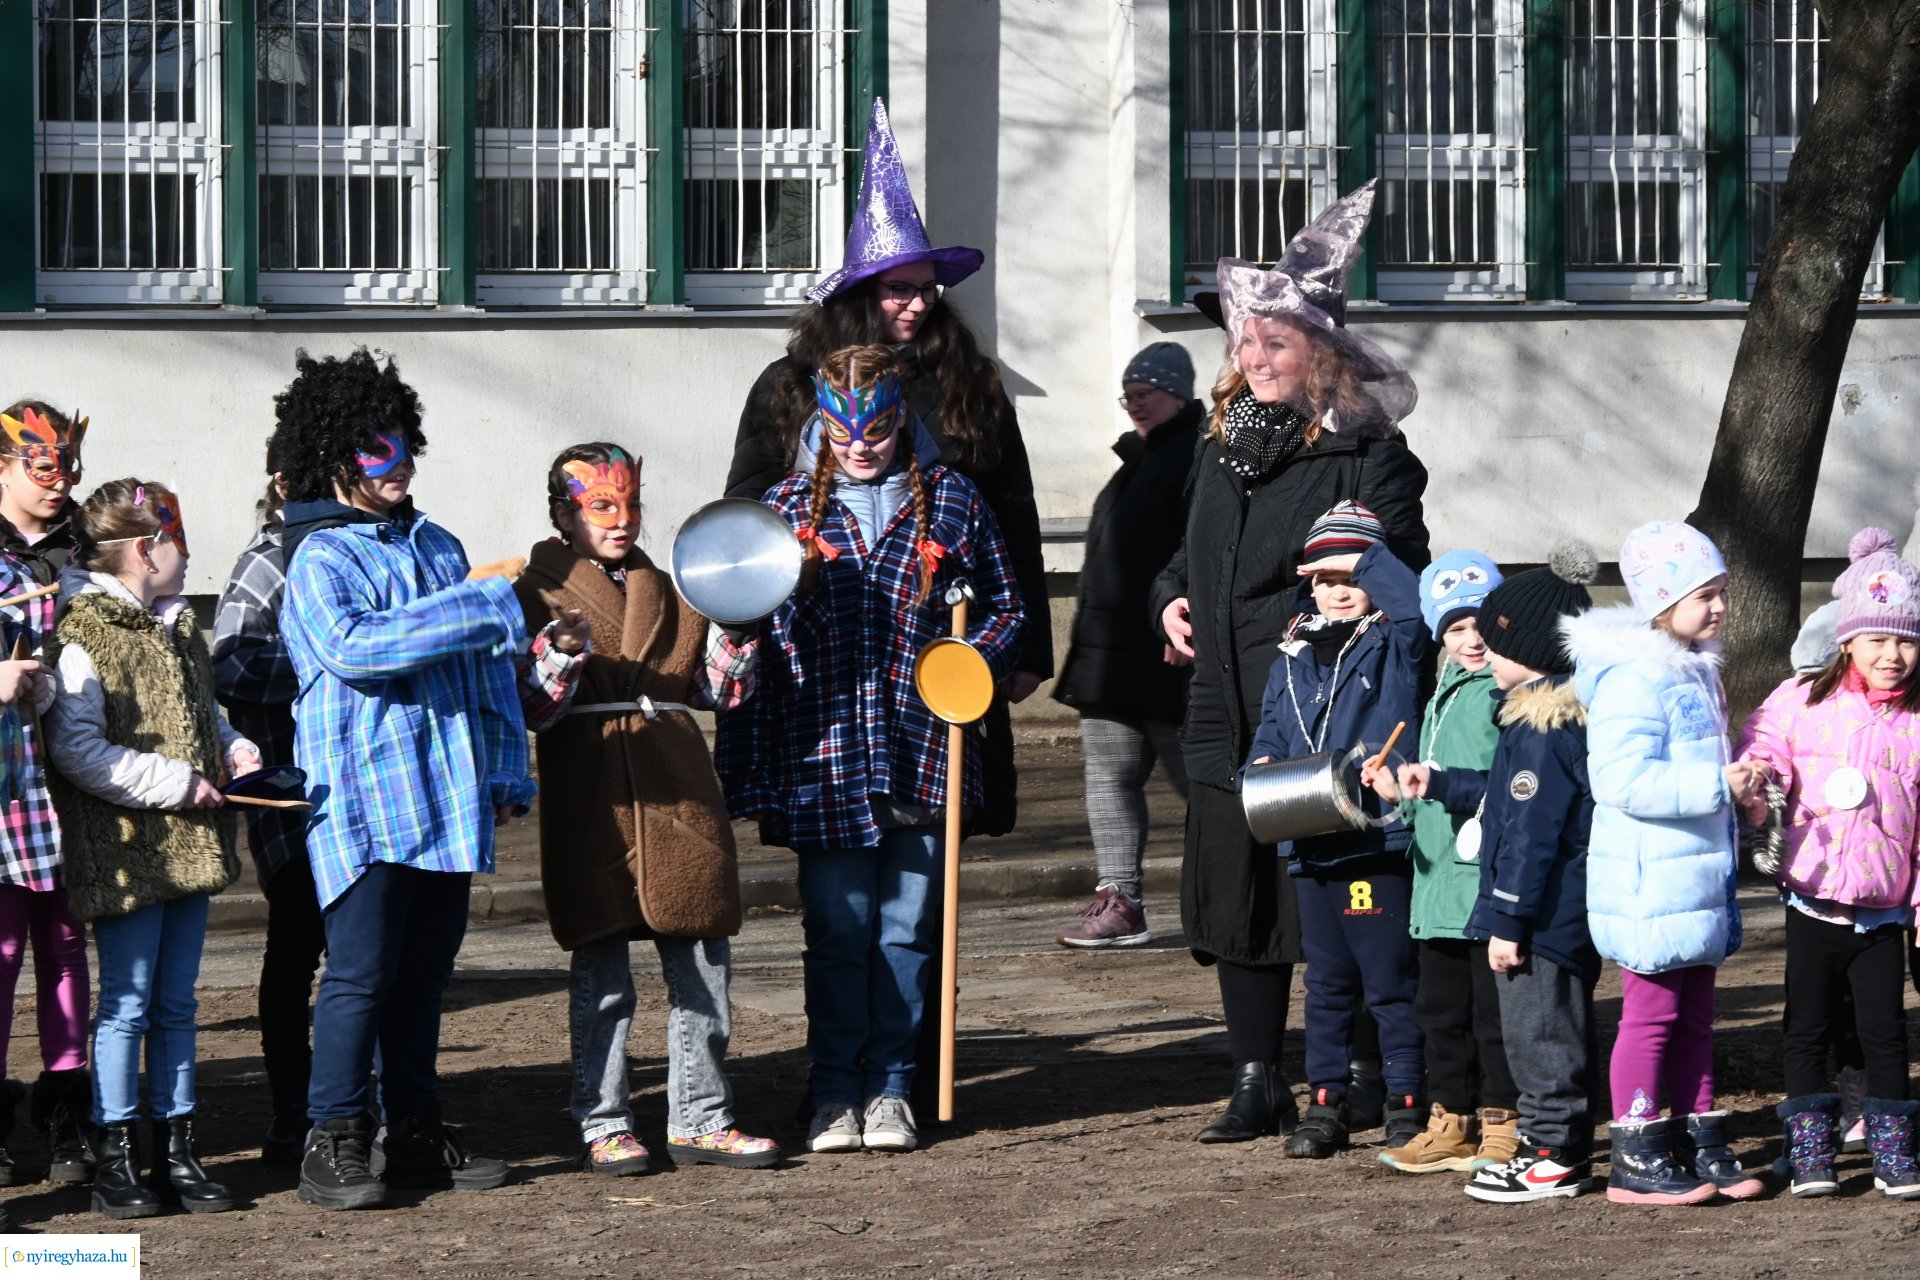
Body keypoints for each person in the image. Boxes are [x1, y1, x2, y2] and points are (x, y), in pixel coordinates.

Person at [1147, 181, 1429, 1146]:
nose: (1253, 356)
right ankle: (1257, 1074)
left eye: (1276, 340)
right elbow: (1189, 553)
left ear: (1324, 351)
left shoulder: (1369, 452)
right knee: (1236, 889)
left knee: (1337, 892)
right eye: (1243, 340)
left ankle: (1351, 1071)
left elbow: (1401, 579)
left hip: (1324, 710)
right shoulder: (1219, 446)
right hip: (1227, 704)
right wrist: (1170, 597)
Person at [715, 345, 1024, 1156]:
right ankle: (832, 1090)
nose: (861, 447)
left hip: (924, 747)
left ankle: (891, 1088)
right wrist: (765, 611)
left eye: (879, 431)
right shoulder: (786, 510)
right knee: (839, 930)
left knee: (906, 930)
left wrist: (971, 659)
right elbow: (743, 617)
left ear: (900, 421)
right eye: (845, 434)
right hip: (825, 755)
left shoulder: (953, 501)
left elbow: (1007, 609)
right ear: (821, 424)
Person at [724, 98, 1048, 840]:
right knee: (838, 862)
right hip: (828, 641)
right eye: (899, 288)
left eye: (927, 288)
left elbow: (1012, 508)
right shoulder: (791, 383)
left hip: (940, 635)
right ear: (861, 295)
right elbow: (746, 507)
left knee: (933, 848)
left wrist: (1027, 651)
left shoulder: (969, 379)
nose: (916, 303)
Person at [273, 349, 538, 1210]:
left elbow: (486, 672)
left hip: (447, 798)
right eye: (379, 448)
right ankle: (334, 1139)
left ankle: (416, 1131)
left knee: (424, 978)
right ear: (338, 454)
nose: (403, 463)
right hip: (363, 801)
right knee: (358, 976)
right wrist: (486, 603)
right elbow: (357, 650)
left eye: (406, 443)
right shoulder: (318, 560)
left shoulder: (439, 542)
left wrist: (504, 767)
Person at [512, 443, 781, 1176]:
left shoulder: (677, 586)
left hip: (677, 781)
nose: (623, 519)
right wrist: (560, 652)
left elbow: (721, 693)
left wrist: (741, 628)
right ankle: (603, 1121)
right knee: (602, 968)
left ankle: (702, 1116)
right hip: (592, 789)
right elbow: (531, 709)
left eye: (631, 504)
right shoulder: (530, 591)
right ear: (564, 514)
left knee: (702, 954)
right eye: (603, 505)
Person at [46, 479, 255, 1218]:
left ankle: (177, 1147)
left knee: (176, 1002)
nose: (189, 556)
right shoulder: (84, 634)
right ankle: (119, 1154)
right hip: (132, 852)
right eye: (180, 542)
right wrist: (176, 782)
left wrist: (234, 749)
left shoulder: (176, 627)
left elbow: (204, 711)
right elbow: (78, 750)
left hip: (191, 847)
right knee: (128, 1003)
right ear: (145, 549)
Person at [1564, 520, 1764, 1204]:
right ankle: (1637, 1148)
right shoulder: (1635, 680)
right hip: (1652, 884)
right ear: (1662, 600)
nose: (1721, 607)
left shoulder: (1694, 674)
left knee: (1697, 1017)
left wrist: (1742, 794)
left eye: (1721, 592)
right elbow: (1620, 782)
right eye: (1706, 594)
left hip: (1696, 879)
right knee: (1651, 1017)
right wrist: (1716, 786)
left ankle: (1697, 1135)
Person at [1397, 546, 1600, 1202]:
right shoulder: (1535, 715)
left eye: (1492, 635)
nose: (1480, 646)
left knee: (1543, 1033)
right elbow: (1499, 803)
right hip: (1542, 911)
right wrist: (1444, 783)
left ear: (1530, 648)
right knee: (1538, 1029)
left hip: (1541, 917)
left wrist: (1506, 918)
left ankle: (1553, 1152)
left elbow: (1532, 833)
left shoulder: (1540, 728)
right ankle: (1552, 1147)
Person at [1738, 528, 1920, 1199]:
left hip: (1882, 905)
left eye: (1905, 640)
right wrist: (1761, 778)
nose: (1892, 655)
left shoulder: (1917, 719)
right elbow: (1764, 741)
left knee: (1886, 1031)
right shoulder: (1804, 698)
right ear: (1847, 641)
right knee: (1806, 1025)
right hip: (1813, 894)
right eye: (1877, 640)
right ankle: (1810, 1146)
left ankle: (1894, 1146)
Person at [1243, 502, 1427, 1158]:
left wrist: (1371, 562)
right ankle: (1327, 1100)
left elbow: (1413, 608)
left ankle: (1406, 1097)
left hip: (1372, 842)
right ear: (1306, 585)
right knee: (1325, 984)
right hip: (1311, 841)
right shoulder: (1292, 656)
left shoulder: (1395, 640)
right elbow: (1271, 728)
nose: (1338, 588)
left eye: (1349, 574)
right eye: (1323, 577)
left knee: (1388, 980)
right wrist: (1261, 762)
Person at [1370, 549, 1520, 1174]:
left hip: (1482, 890)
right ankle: (1449, 1118)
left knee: (1492, 1016)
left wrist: (1439, 783)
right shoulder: (1441, 696)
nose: (1470, 638)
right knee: (1439, 1012)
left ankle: (1502, 1123)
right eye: (1455, 628)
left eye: (1480, 623)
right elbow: (1425, 800)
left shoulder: (1505, 694)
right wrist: (1399, 795)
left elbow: (1508, 785)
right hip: (1435, 893)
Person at [1050, 342, 1200, 947]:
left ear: (1179, 394)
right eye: (1129, 396)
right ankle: (1120, 900)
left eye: (1148, 394)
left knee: (1204, 785)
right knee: (1109, 779)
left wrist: (1182, 623)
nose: (1136, 405)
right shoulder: (1138, 460)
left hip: (1169, 653)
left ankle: (1225, 897)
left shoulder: (1195, 457)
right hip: (1110, 656)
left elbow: (1199, 546)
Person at [211, 446, 325, 1168]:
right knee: (296, 946)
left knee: (361, 956)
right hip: (286, 789)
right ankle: (291, 1111)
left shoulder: (356, 548)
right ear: (282, 485)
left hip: (355, 788)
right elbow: (232, 662)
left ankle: (351, 1106)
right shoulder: (268, 559)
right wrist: (327, 659)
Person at [0, 402, 93, 1185]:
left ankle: (69, 1107)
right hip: (1, 792)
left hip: (65, 785)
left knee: (66, 946)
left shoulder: (84, 558)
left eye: (69, 465)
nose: (60, 481)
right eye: (42, 465)